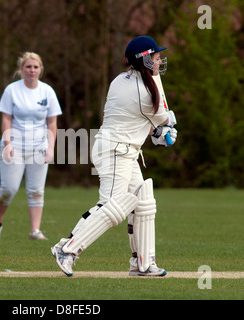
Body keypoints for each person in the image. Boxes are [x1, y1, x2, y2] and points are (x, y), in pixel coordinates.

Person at [51, 36, 177, 276]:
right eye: (156, 57)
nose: (160, 61)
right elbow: (161, 123)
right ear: (145, 60)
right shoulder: (141, 89)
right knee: (113, 207)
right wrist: (168, 130)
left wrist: (163, 129)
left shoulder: (122, 79)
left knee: (143, 203)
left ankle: (142, 264)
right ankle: (67, 249)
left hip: (123, 149)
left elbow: (154, 127)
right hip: (116, 150)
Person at [0, 52, 62, 241]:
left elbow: (52, 123)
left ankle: (35, 231)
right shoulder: (11, 90)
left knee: (36, 190)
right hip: (15, 146)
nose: (32, 70)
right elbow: (6, 118)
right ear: (21, 69)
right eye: (28, 67)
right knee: (8, 189)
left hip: (39, 147)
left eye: (35, 67)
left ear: (41, 70)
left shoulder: (47, 91)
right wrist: (8, 144)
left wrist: (50, 147)